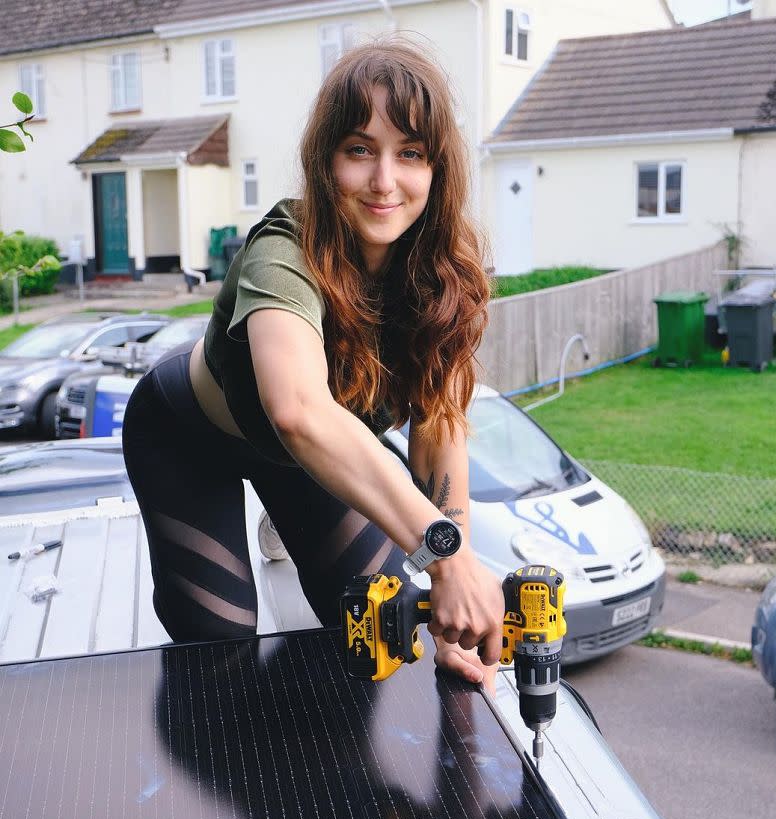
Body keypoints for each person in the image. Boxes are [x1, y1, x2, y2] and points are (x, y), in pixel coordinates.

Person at [122, 39, 504, 686]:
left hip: (309, 455)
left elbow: (438, 425)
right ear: (325, 161)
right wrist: (446, 556)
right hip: (188, 438)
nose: (385, 181)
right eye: (360, 150)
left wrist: (454, 586)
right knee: (222, 645)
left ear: (438, 169)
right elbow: (298, 411)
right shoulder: (285, 250)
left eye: (409, 154)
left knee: (373, 619)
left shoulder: (442, 274)